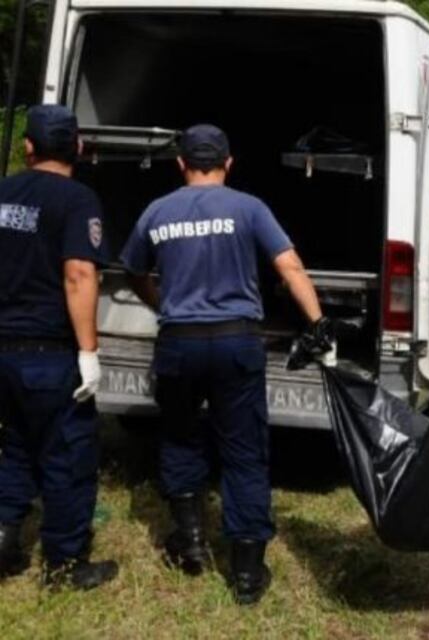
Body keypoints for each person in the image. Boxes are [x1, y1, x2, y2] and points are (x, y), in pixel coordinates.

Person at [120, 124, 328, 604]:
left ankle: (190, 542)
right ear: (229, 163)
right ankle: (248, 576)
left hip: (178, 342)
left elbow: (133, 269)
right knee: (244, 451)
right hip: (236, 342)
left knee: (179, 436)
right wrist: (317, 322)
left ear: (181, 163)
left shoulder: (157, 211)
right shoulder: (248, 208)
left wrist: (162, 301)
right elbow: (289, 266)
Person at [0, 105, 118, 589]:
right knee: (66, 456)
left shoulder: (3, 193)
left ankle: (5, 541)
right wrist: (88, 352)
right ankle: (65, 565)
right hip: (49, 353)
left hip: (3, 349)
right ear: (80, 149)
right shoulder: (77, 200)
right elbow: (79, 273)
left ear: (27, 148)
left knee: (11, 449)